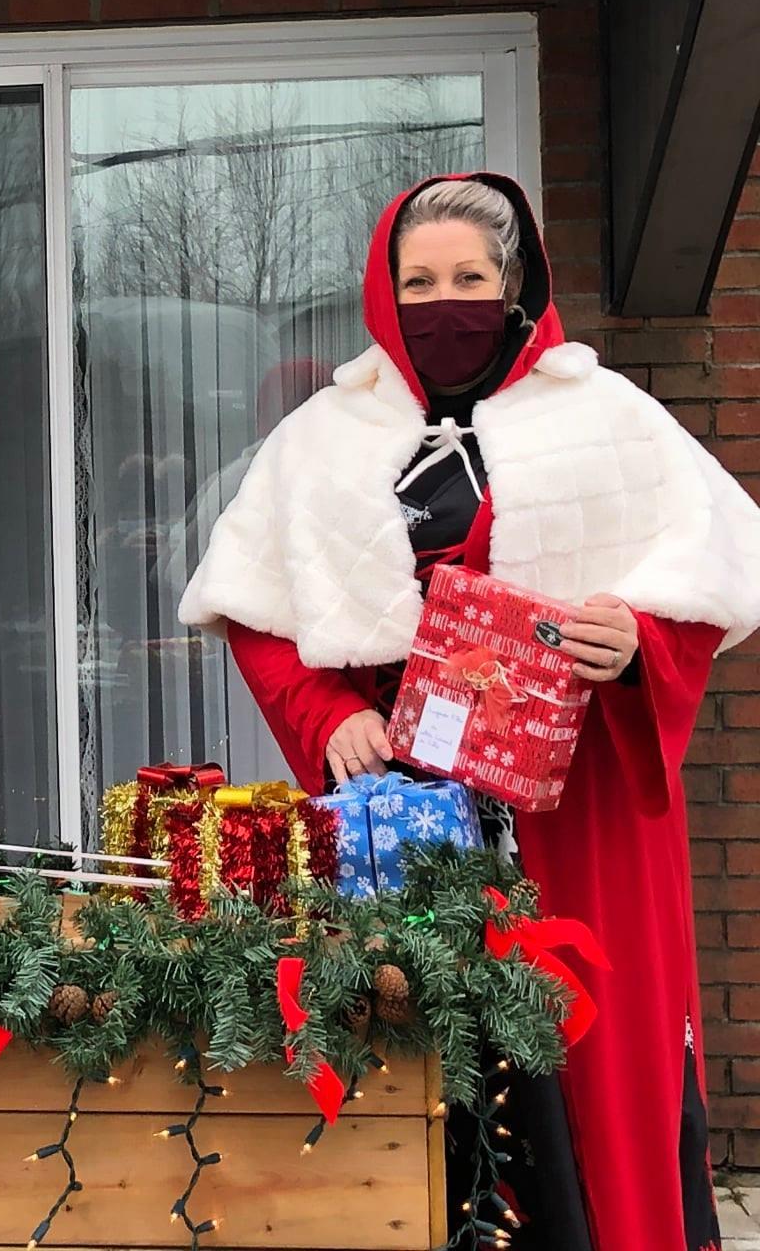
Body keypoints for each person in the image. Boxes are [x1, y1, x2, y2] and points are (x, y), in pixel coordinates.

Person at [180, 174, 760, 1251]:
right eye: (419, 283)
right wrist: (326, 715)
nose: (444, 303)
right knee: (414, 1056)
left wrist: (636, 642)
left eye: (470, 278)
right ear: (383, 293)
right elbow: (254, 610)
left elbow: (708, 584)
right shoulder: (324, 437)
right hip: (399, 807)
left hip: (576, 806)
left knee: (595, 1054)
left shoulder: (609, 418)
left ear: (516, 285)